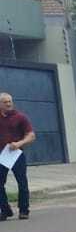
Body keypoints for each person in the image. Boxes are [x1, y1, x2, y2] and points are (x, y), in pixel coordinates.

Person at [0, 92, 36, 222]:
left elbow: (31, 135)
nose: (9, 104)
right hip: (1, 156)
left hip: (16, 154)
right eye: (5, 102)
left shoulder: (20, 117)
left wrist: (19, 143)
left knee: (22, 183)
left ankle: (24, 210)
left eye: (10, 101)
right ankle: (5, 210)